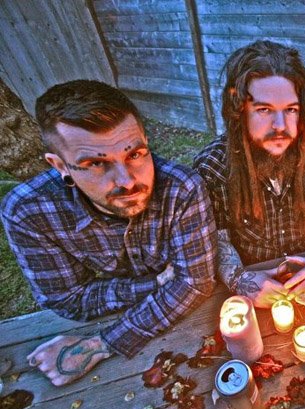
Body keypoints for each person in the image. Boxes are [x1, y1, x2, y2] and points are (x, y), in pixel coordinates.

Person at [1, 80, 217, 386]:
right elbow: (68, 300)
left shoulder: (181, 188)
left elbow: (195, 282)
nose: (127, 181)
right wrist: (156, 282)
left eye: (135, 154)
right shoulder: (30, 211)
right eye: (96, 163)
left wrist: (101, 344)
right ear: (60, 166)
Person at [194, 41, 305, 307]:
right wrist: (239, 280)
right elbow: (216, 242)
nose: (280, 126)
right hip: (256, 293)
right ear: (239, 112)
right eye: (264, 110)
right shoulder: (213, 168)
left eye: (290, 110)